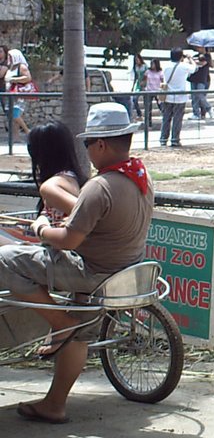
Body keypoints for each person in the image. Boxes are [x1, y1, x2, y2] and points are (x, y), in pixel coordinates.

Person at [0, 102, 153, 424]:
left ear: (100, 144)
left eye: (87, 144)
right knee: (82, 333)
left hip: (91, 272)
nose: (86, 152)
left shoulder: (99, 187)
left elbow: (69, 241)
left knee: (4, 258)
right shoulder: (140, 177)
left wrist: (41, 228)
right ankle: (54, 403)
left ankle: (60, 323)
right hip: (123, 269)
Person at [0, 122, 83, 246]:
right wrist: (43, 219)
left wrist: (41, 228)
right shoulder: (72, 177)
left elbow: (86, 214)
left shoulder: (51, 186)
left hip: (60, 257)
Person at [160, 48, 196, 147]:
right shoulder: (184, 66)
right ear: (181, 56)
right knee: (177, 119)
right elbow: (194, 68)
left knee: (166, 118)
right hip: (180, 97)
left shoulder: (165, 65)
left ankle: (163, 139)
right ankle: (175, 139)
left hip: (167, 96)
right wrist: (190, 58)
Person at [3, 46, 33, 141]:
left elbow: (28, 78)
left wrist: (14, 79)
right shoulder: (11, 67)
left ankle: (28, 131)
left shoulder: (21, 67)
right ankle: (15, 137)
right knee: (11, 117)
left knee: (14, 114)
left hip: (18, 95)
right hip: (10, 94)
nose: (9, 58)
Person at [188, 46, 214, 120]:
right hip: (194, 78)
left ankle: (208, 108)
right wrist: (190, 59)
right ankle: (196, 113)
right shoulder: (195, 56)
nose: (198, 48)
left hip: (202, 79)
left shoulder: (207, 56)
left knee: (200, 95)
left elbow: (202, 64)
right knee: (194, 97)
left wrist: (191, 60)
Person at [143, 58, 163, 128]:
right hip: (149, 90)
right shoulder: (148, 71)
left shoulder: (160, 72)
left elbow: (162, 81)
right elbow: (144, 80)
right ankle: (148, 123)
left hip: (157, 91)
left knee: (161, 106)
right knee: (148, 108)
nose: (152, 65)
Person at [129, 53, 147, 121]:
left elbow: (147, 76)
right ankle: (139, 114)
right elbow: (136, 77)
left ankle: (147, 116)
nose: (137, 61)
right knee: (134, 99)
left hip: (145, 85)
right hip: (138, 85)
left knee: (146, 101)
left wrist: (144, 82)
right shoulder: (136, 67)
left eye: (137, 59)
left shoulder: (145, 66)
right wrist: (133, 86)